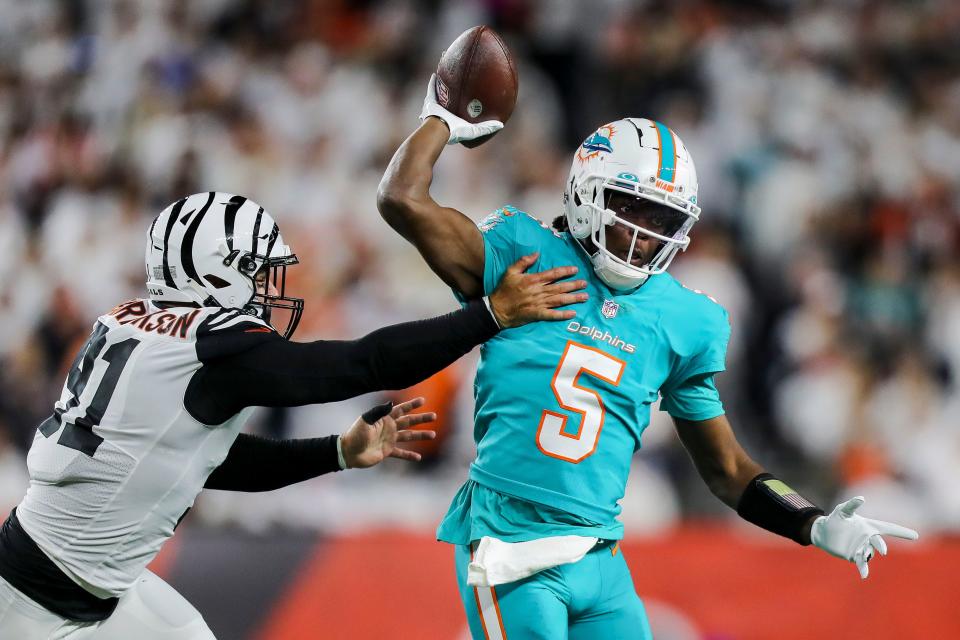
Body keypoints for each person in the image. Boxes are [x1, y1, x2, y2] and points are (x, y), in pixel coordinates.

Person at [377, 77, 920, 639]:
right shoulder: (522, 250)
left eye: (662, 220)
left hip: (599, 556)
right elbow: (401, 199)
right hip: (511, 545)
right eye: (631, 208)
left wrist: (811, 521)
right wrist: (441, 119)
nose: (642, 234)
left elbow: (727, 469)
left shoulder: (684, 320)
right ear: (586, 194)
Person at [0, 191, 588, 639]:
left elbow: (202, 461)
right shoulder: (215, 349)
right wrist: (490, 316)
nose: (266, 287)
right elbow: (365, 364)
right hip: (34, 604)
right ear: (215, 272)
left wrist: (336, 452)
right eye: (255, 270)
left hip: (74, 579)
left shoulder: (128, 321)